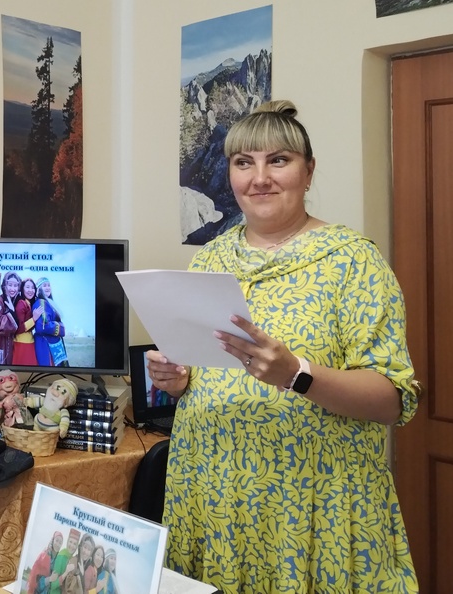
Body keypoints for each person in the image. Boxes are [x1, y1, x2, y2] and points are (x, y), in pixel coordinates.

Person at [147, 100, 420, 593]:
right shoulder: (209, 258)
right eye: (243, 162)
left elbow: (391, 400)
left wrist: (298, 374)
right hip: (213, 495)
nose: (260, 178)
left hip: (313, 504)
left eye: (278, 160)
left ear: (308, 172)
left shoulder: (352, 261)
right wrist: (179, 380)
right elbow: (203, 374)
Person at [0, 271, 24, 365]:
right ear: (4, 286)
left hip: (10, 345)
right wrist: (11, 312)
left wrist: (12, 311)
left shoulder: (15, 301)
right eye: (10, 285)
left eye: (15, 285)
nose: (12, 289)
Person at [32, 278, 68, 367]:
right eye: (44, 286)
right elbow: (43, 326)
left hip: (50, 343)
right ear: (39, 289)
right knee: (49, 371)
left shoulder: (48, 302)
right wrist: (61, 328)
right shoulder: (41, 303)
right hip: (45, 344)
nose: (48, 287)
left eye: (49, 285)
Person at [11, 278, 40, 366]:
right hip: (22, 345)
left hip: (28, 342)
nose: (30, 290)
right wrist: (33, 319)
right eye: (27, 287)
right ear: (22, 289)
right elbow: (18, 328)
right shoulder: (21, 303)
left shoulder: (29, 303)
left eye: (32, 287)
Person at [48, 528, 80, 594]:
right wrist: (66, 572)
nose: (72, 546)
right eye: (70, 542)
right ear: (67, 542)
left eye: (75, 544)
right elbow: (53, 585)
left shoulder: (72, 559)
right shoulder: (61, 556)